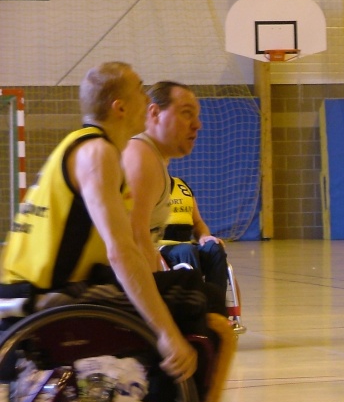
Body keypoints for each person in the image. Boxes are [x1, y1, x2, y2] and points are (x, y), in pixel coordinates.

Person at [1, 62, 196, 381]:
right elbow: (122, 252)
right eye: (139, 89)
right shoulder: (98, 153)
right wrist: (168, 335)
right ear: (119, 106)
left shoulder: (90, 148)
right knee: (188, 298)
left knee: (167, 290)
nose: (146, 97)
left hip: (33, 292)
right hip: (41, 299)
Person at [121, 81, 226, 315]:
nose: (197, 125)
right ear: (155, 112)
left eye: (197, 116)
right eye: (187, 114)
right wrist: (158, 315)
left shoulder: (156, 163)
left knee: (208, 299)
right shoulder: (141, 157)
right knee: (201, 302)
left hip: (127, 273)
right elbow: (133, 239)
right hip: (115, 280)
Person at [160, 175, 229, 293]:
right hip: (161, 249)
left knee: (214, 248)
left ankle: (216, 304)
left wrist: (204, 236)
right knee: (187, 250)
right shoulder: (145, 186)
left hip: (186, 245)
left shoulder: (182, 186)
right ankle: (197, 304)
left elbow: (197, 222)